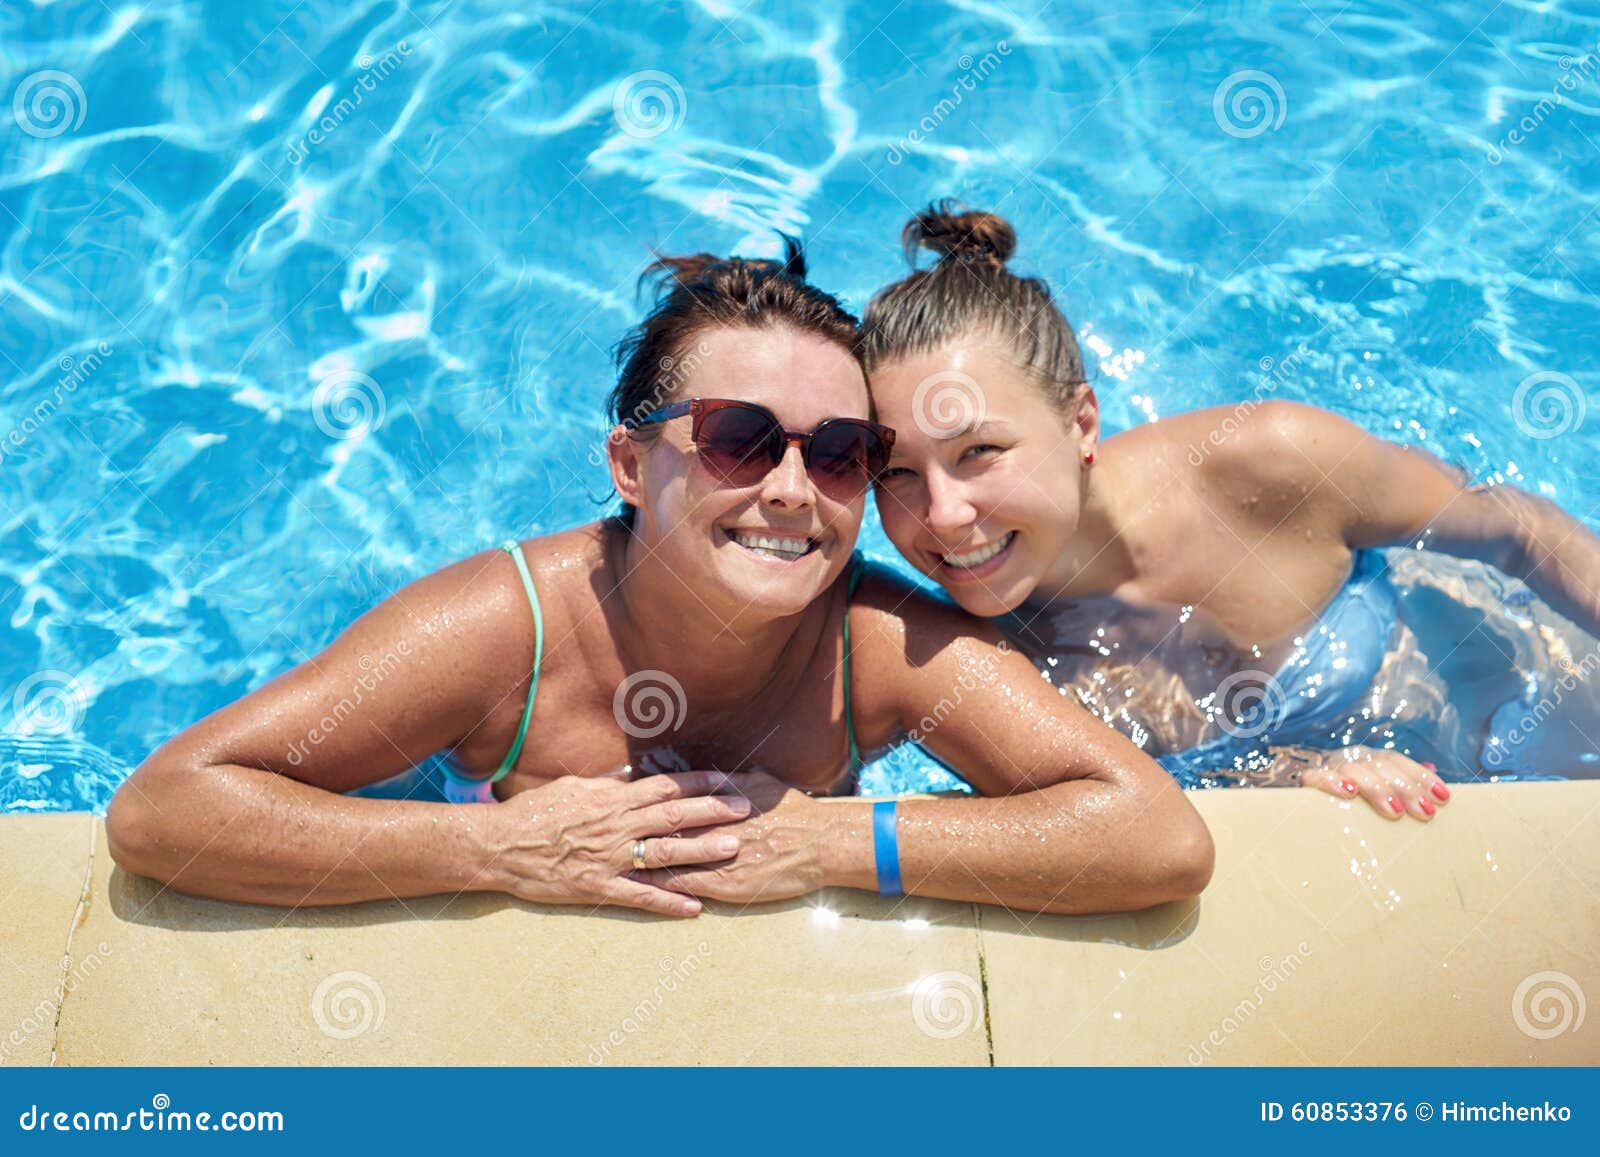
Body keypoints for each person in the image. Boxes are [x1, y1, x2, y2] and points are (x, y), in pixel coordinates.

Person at [106, 241, 1213, 917]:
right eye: (739, 437)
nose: (792, 487)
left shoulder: (872, 642)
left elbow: (1153, 835)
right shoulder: (505, 631)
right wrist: (493, 849)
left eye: (837, 452)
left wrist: (839, 841)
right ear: (632, 464)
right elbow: (165, 810)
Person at [862, 202, 1600, 821]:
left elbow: (1518, 530)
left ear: (1082, 422)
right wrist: (1302, 774)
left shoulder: (1270, 463)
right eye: (894, 471)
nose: (943, 514)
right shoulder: (974, 660)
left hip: (1522, 692)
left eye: (980, 451)